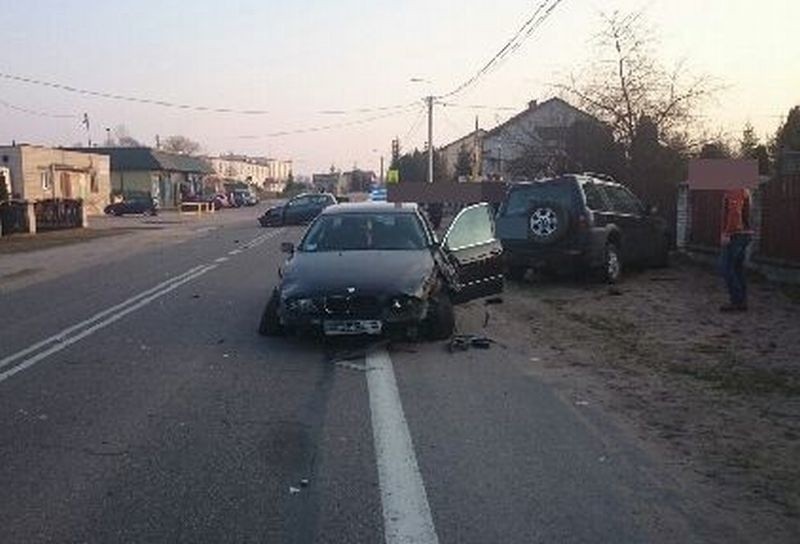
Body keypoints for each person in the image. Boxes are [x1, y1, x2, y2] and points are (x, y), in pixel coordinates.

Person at [719, 188, 752, 312]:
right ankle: (742, 301)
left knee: (725, 267)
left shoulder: (735, 189)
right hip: (743, 234)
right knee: (738, 269)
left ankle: (736, 300)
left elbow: (735, 213)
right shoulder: (743, 189)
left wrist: (727, 233)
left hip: (736, 235)